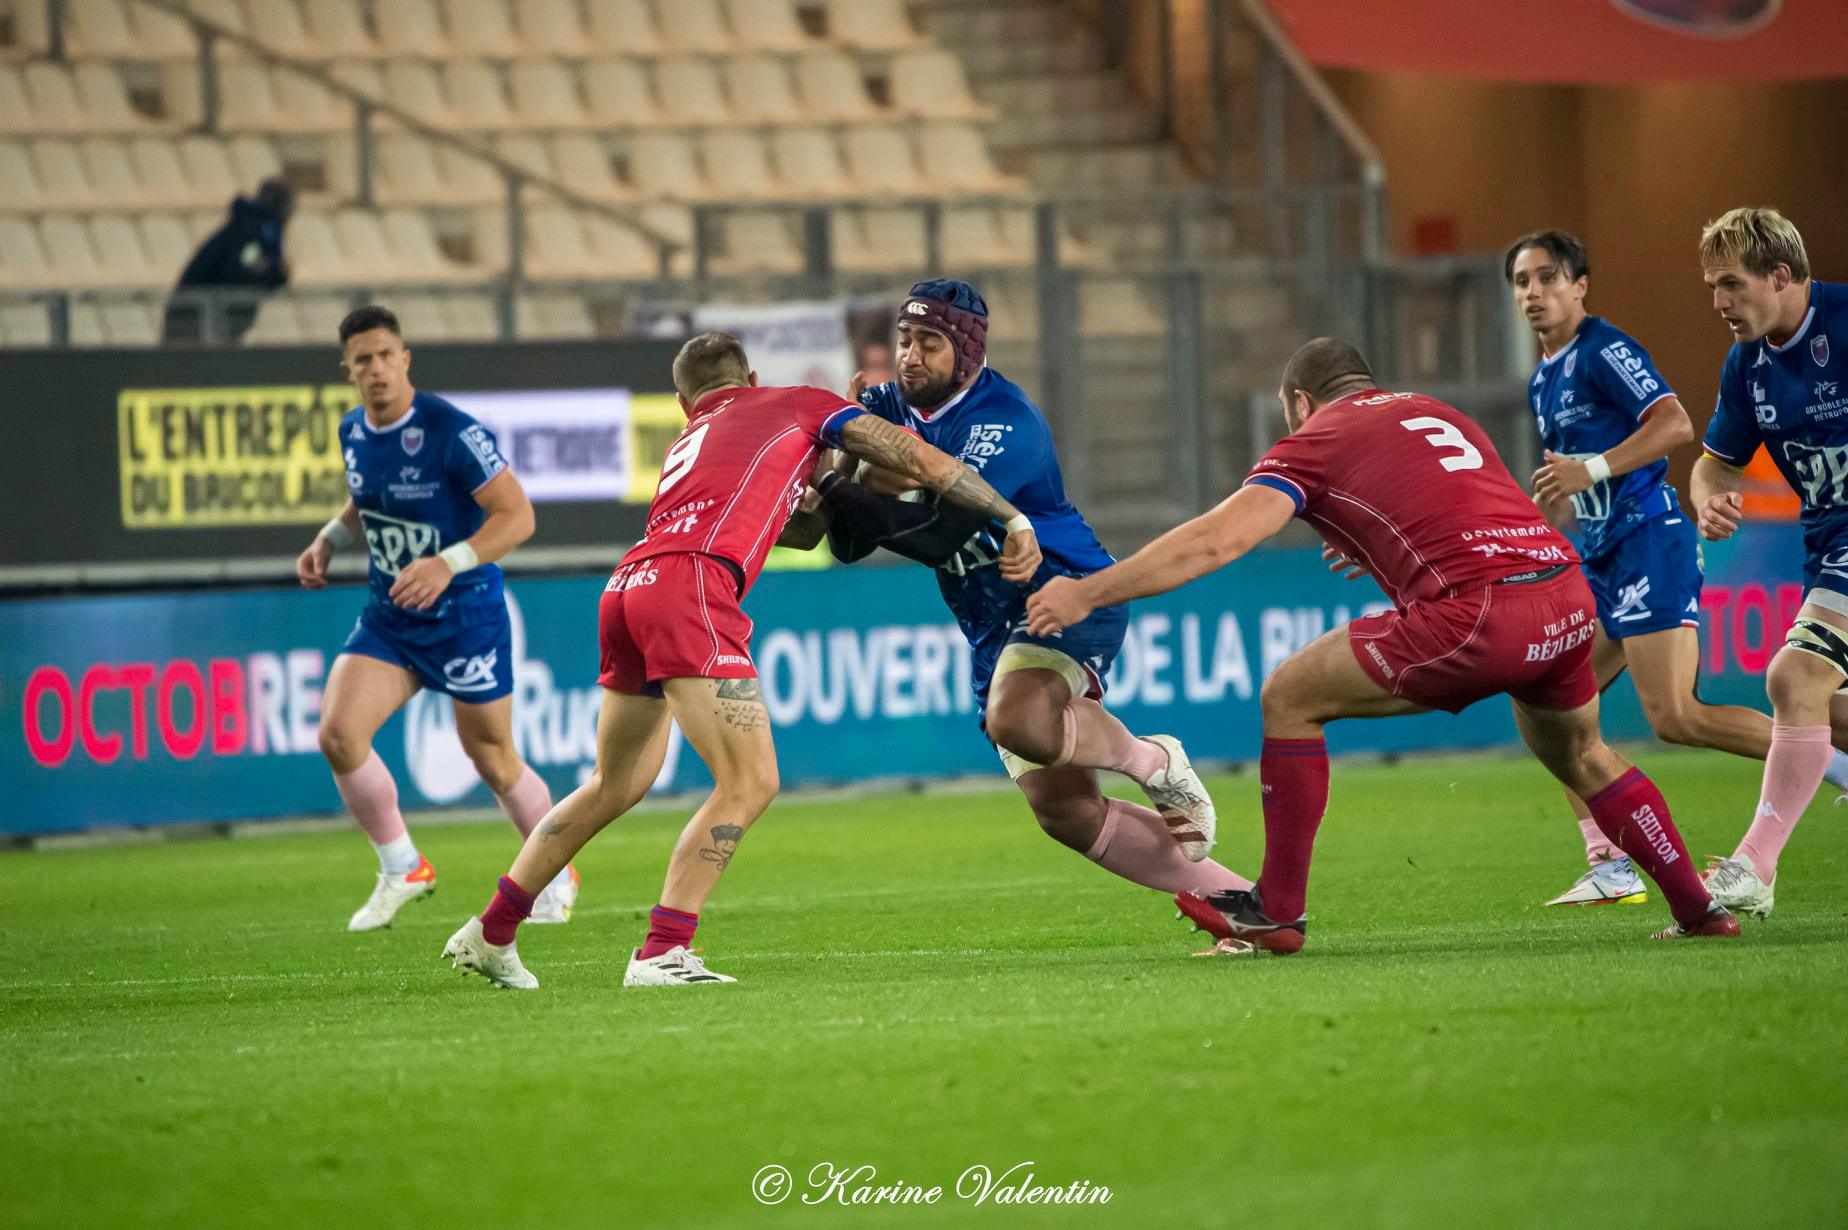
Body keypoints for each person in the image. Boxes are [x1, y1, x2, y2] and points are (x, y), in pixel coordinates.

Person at [1026, 337, 1739, 952]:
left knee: (1289, 695)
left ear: (1300, 402)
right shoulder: (1437, 412)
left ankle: (1277, 909)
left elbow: (1218, 540)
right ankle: (1698, 909)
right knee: (1584, 755)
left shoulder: (1317, 437)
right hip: (1564, 596)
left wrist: (1088, 592)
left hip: (1482, 613)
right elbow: (1461, 509)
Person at [440, 331, 1043, 989]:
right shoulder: (796, 403)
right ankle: (662, 951)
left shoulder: (690, 441)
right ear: (752, 378)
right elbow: (919, 459)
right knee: (749, 781)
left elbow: (802, 530)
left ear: (684, 402)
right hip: (691, 588)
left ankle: (491, 931)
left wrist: (832, 465)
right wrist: (1013, 518)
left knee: (612, 784)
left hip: (628, 587)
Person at [817, 280, 1246, 927]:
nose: (910, 355)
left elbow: (942, 534)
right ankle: (1246, 907)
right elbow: (849, 544)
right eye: (904, 339)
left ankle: (1153, 760)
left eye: (929, 343)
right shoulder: (886, 407)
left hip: (1065, 592)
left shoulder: (1003, 423)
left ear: (967, 352)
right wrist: (843, 469)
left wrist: (837, 484)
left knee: (1016, 721)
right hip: (991, 626)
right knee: (1066, 812)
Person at [1503, 230, 1848, 907]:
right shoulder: (1545, 380)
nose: (1533, 293)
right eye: (1521, 282)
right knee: (1545, 696)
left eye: (1547, 277)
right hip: (1605, 553)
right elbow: (1712, 458)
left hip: (1645, 542)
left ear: (1579, 284)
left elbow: (1672, 423)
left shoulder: (1605, 350)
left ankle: (1780, 833)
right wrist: (1705, 492)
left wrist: (1592, 469)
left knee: (1684, 714)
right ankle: (1609, 862)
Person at [298, 306, 576, 931]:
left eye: (385, 355)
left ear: (405, 359)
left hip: (465, 617)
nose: (376, 369)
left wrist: (448, 563)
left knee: (493, 758)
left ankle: (556, 872)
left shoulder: (451, 431)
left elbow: (518, 517)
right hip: (393, 617)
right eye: (363, 360)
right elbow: (366, 497)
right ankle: (402, 867)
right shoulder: (352, 430)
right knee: (338, 735)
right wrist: (330, 539)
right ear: (348, 370)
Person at [1690, 207, 1848, 919]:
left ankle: (1753, 866)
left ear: (1780, 275)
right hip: (1828, 549)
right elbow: (1714, 463)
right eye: (1712, 288)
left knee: (1794, 676)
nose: (1719, 302)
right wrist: (1709, 499)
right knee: (1829, 711)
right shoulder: (1747, 365)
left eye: (1731, 284)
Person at [161, 178, 294, 345]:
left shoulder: (247, 228)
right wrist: (276, 271)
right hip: (195, 321)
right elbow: (247, 263)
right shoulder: (254, 232)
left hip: (198, 318)